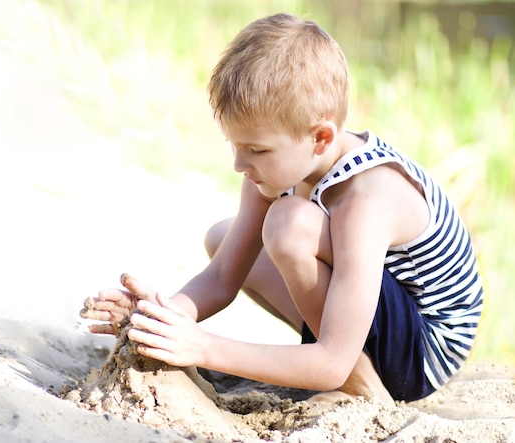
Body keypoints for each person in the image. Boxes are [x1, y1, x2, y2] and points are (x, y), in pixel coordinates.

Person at [80, 13, 483, 404]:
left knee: (290, 225)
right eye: (234, 146)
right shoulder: (281, 164)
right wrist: (159, 317)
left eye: (256, 150)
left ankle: (365, 385)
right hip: (369, 309)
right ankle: (350, 365)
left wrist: (202, 347)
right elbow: (223, 276)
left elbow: (330, 365)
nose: (239, 164)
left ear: (321, 137)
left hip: (424, 350)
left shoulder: (367, 199)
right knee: (222, 237)